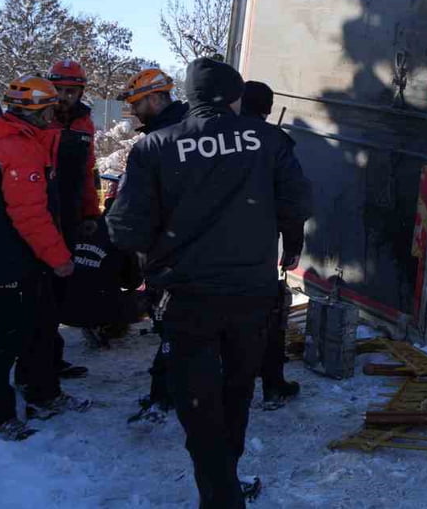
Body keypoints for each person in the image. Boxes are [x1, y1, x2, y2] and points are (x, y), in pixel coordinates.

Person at [109, 58, 311, 508]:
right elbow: (298, 201)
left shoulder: (154, 148)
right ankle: (225, 486)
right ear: (235, 97)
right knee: (237, 389)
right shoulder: (269, 140)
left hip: (187, 298)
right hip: (250, 295)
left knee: (198, 401)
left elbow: (124, 230)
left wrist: (164, 247)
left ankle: (219, 492)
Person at [0, 75, 86, 440]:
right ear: (36, 110)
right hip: (7, 258)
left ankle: (42, 393)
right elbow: (29, 214)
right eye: (50, 108)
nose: (54, 114)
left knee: (39, 326)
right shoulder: (17, 148)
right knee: (6, 338)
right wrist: (59, 257)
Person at [116, 66, 185, 423]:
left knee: (171, 323)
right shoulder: (184, 132)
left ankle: (167, 394)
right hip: (183, 247)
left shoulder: (162, 141)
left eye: (139, 103)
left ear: (157, 98)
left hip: (169, 251)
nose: (134, 111)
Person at [241, 80, 301, 410]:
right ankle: (272, 385)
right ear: (267, 109)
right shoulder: (277, 142)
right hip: (260, 248)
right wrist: (293, 247)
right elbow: (293, 202)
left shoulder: (218, 138)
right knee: (268, 315)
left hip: (214, 249)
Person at [43, 59, 101, 379]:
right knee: (39, 293)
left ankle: (52, 357)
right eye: (59, 89)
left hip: (69, 214)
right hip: (38, 214)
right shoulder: (38, 119)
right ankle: (35, 362)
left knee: (60, 291)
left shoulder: (84, 124)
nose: (65, 96)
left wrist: (91, 212)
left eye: (71, 91)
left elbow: (88, 172)